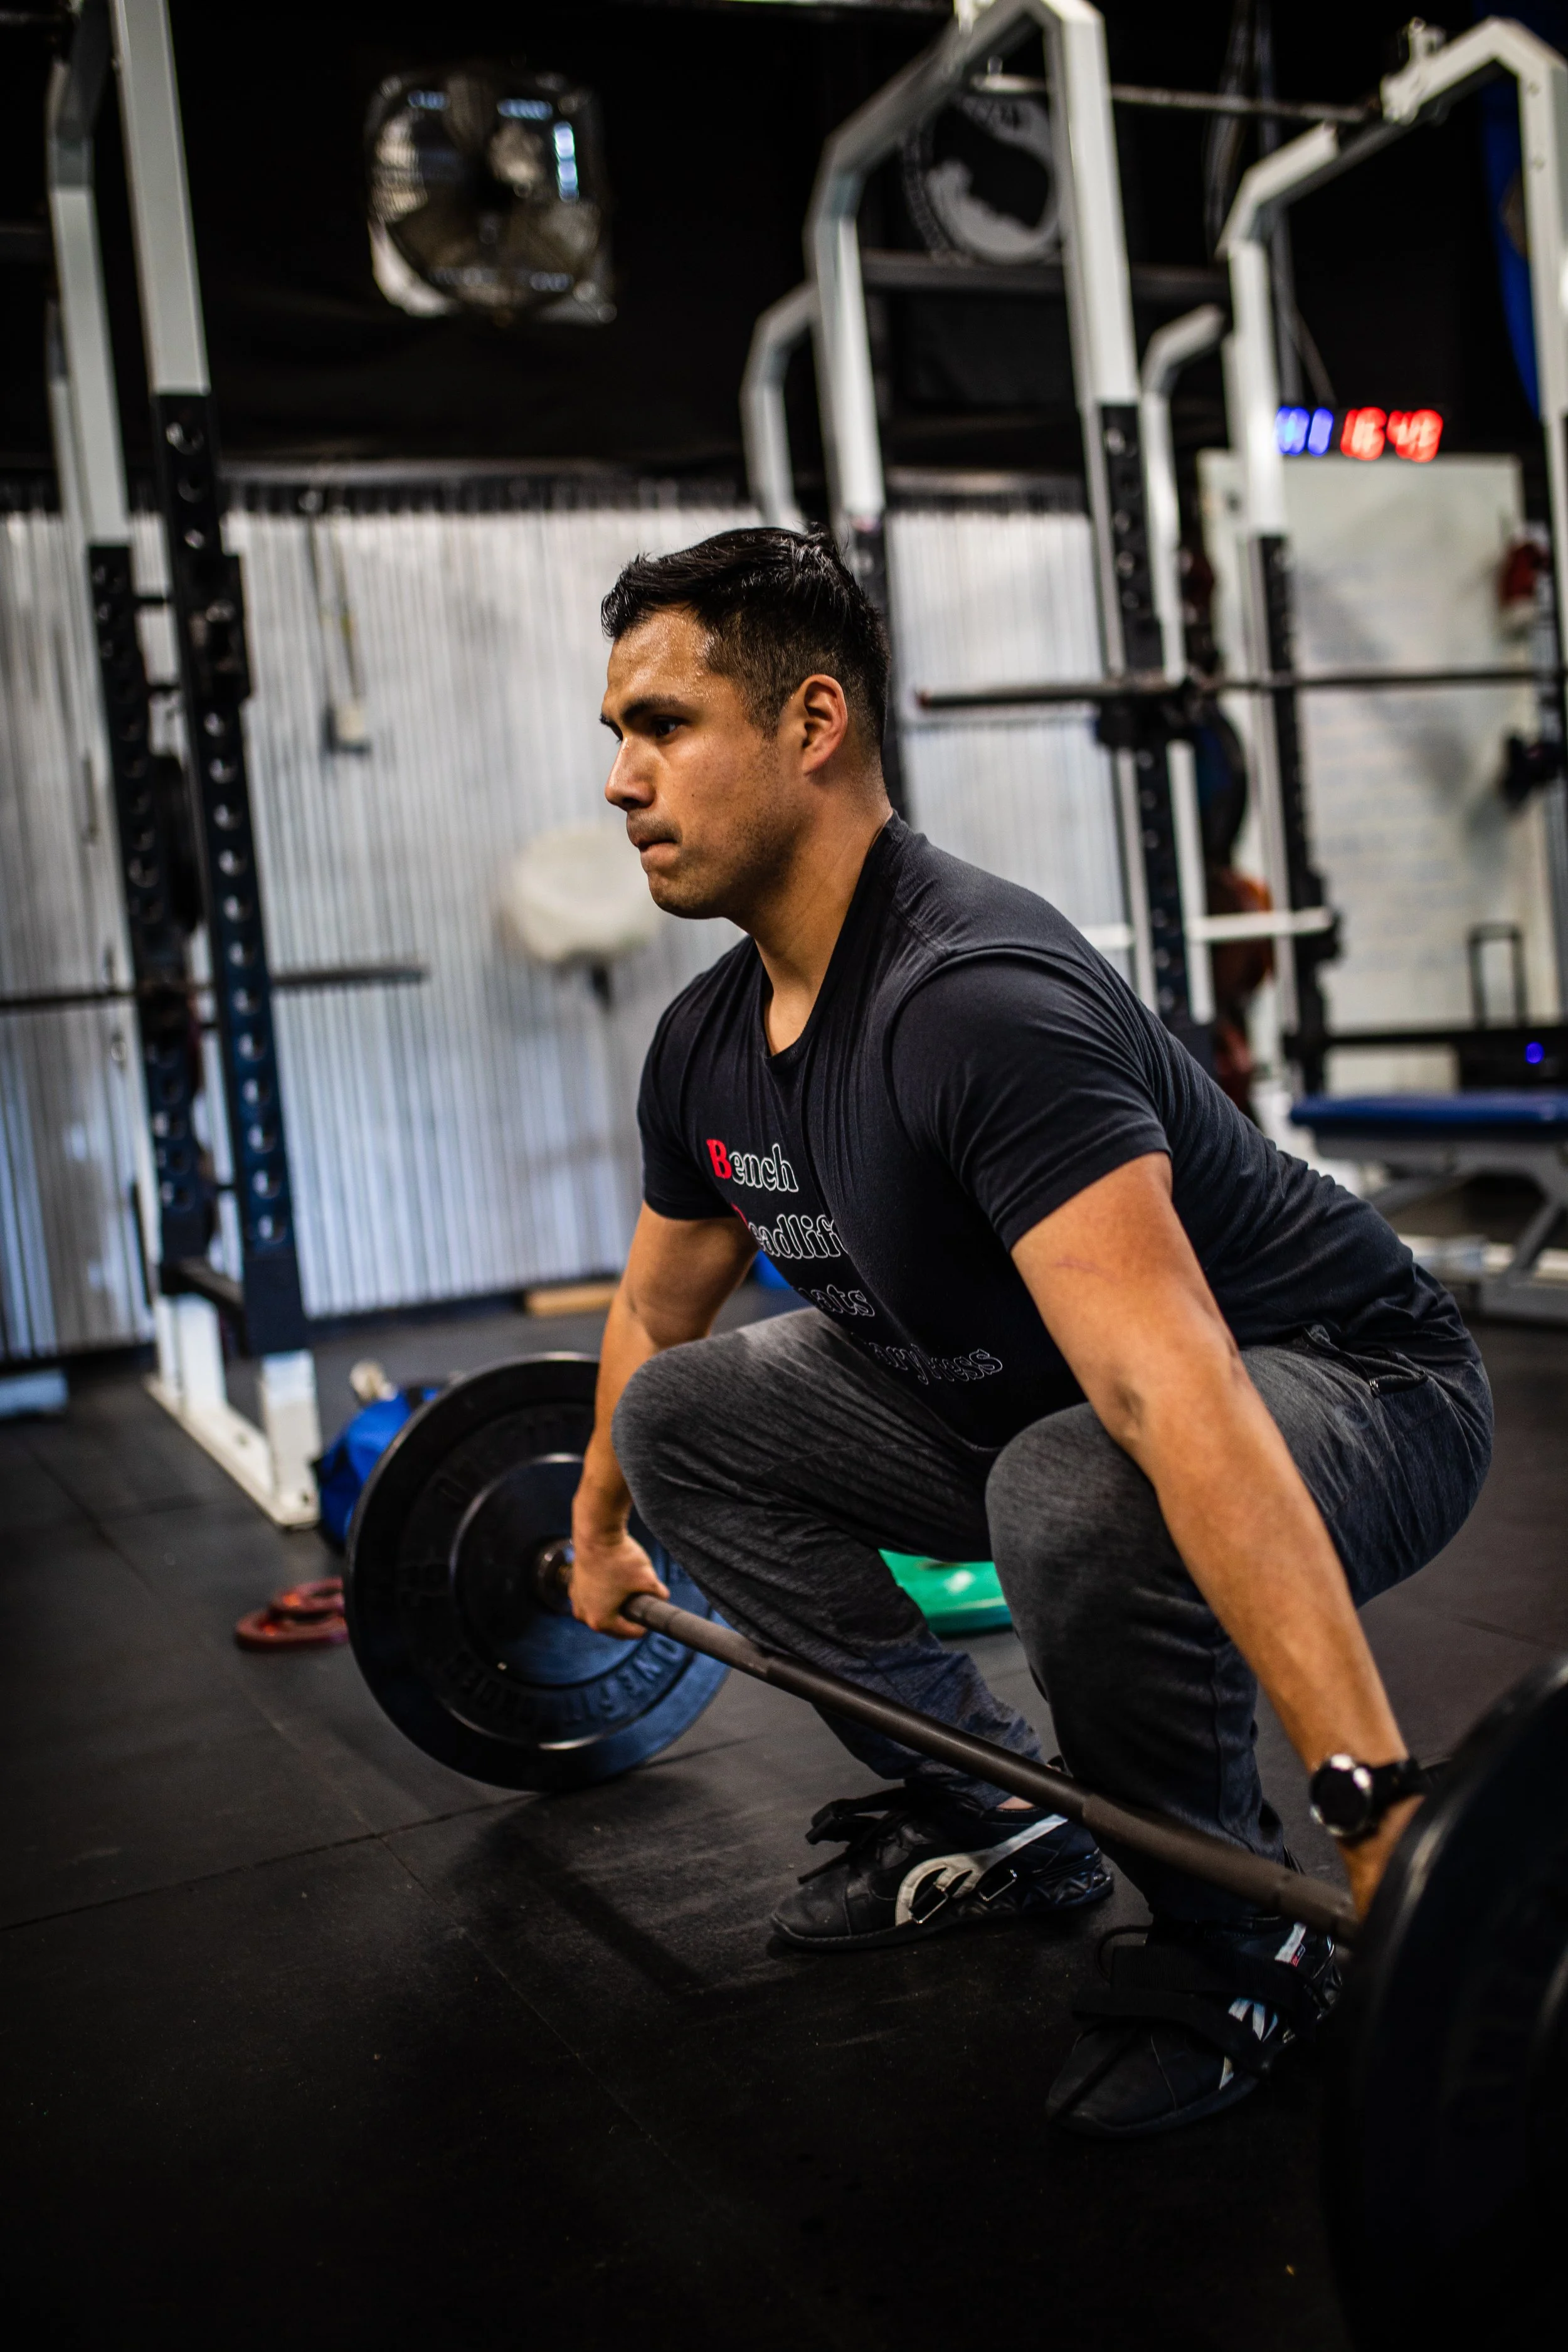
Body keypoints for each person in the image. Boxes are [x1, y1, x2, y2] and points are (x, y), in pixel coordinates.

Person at [568, 526, 1492, 2139]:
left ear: (809, 724)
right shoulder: (706, 1041)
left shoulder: (970, 998)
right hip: (1035, 1405)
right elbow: (657, 1308)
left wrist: (1372, 1804)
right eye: (616, 738)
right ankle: (995, 1814)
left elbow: (1167, 1381)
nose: (621, 782)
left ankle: (1242, 1925)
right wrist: (589, 1535)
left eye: (663, 728)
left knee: (1069, 1481)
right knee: (685, 1419)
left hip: (1358, 1383)